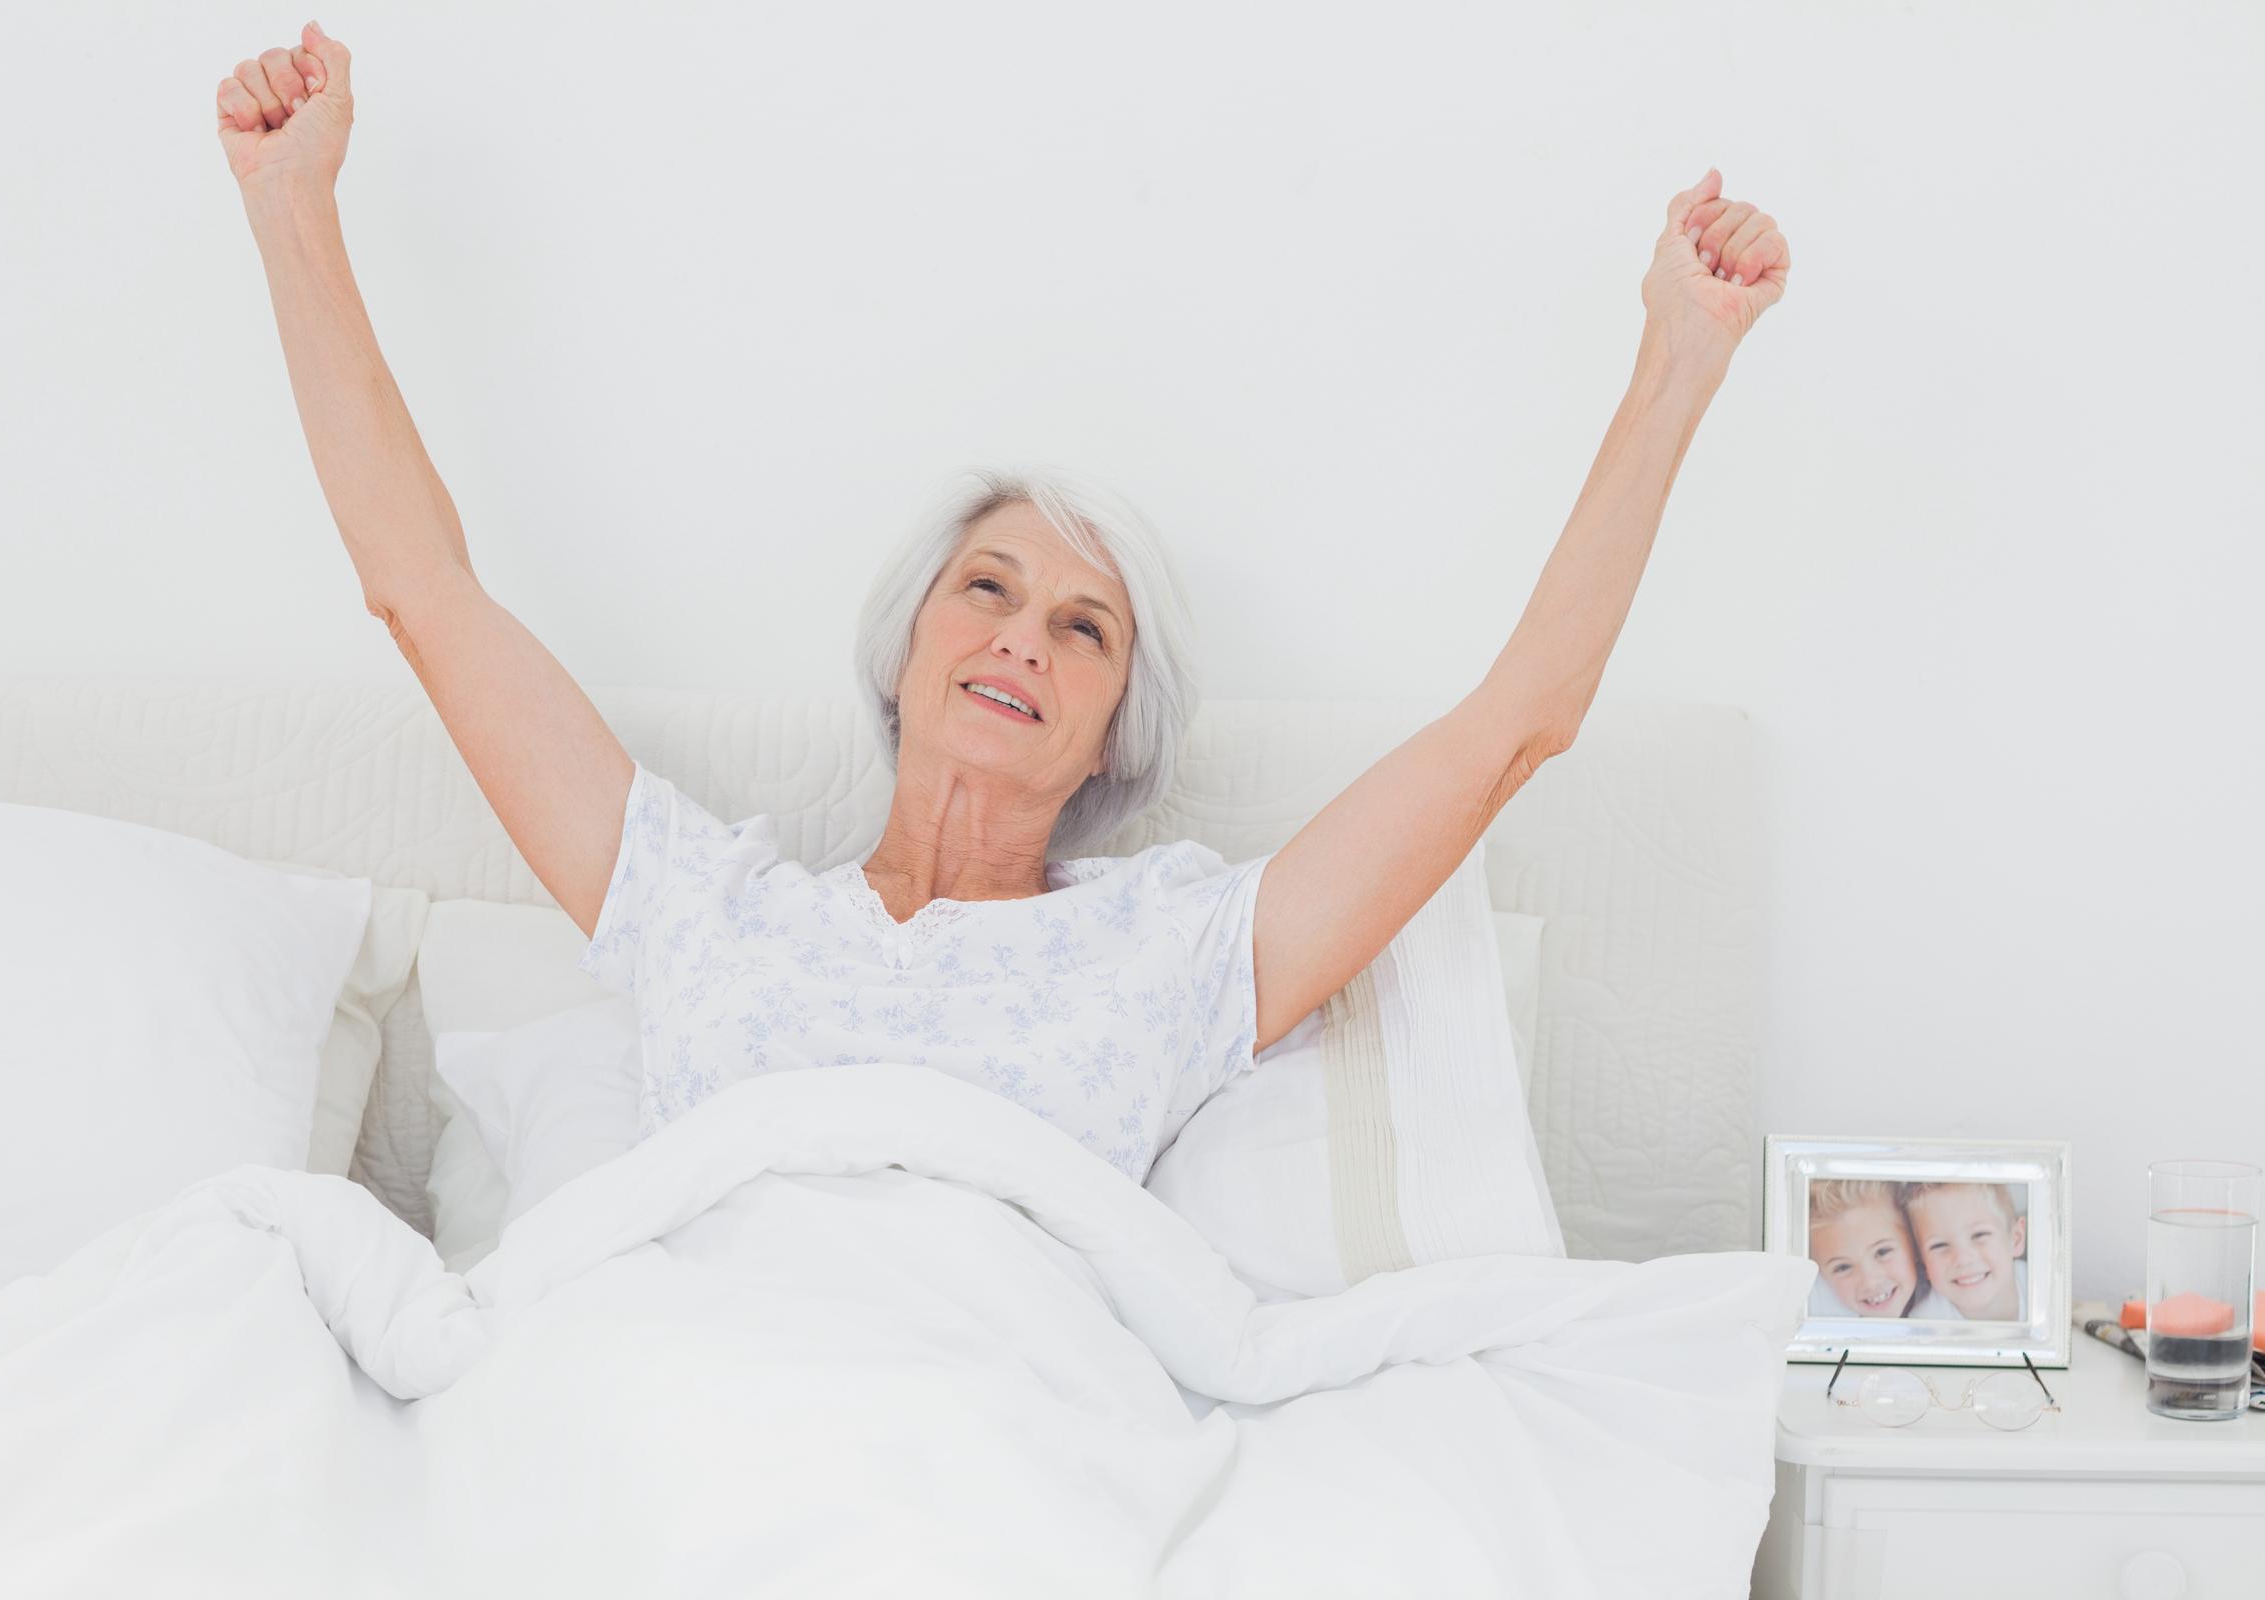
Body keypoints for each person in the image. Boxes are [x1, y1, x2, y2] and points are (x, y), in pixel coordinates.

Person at [214, 23, 1792, 1183]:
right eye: (988, 589)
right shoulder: (706, 908)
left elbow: (1517, 731)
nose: (1024, 637)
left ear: (1116, 735)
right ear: (908, 649)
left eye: (1084, 628)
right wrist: (295, 210)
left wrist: (1680, 359)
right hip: (713, 1384)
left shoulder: (1173, 949)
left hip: (1004, 1420)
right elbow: (422, 595)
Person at [1805, 1181, 1961, 1320]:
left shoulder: (1951, 1298)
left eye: (1882, 1252)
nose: (1870, 1282)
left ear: (1914, 1245)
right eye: (1842, 1267)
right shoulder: (1817, 1315)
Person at [1903, 1182, 2029, 1321]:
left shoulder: (2046, 1288)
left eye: (1979, 1235)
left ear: (2015, 1239)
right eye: (1939, 1245)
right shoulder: (1923, 1325)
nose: (1962, 1259)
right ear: (1923, 1262)